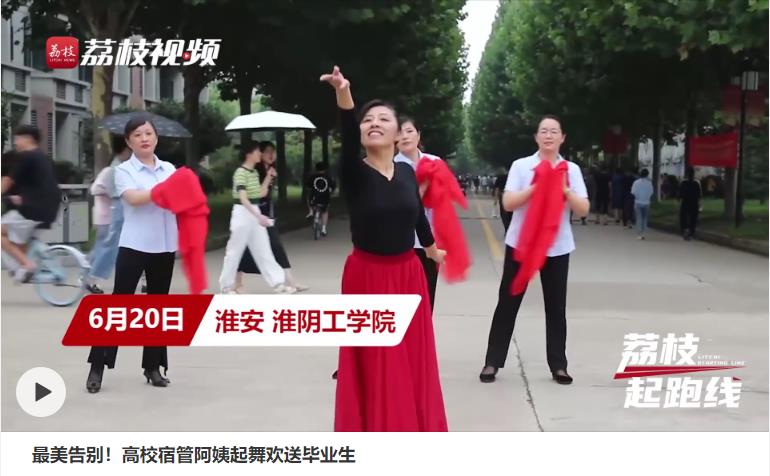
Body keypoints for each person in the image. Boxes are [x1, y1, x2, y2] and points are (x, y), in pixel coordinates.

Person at [321, 65, 447, 432]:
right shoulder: (354, 172)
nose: (374, 123)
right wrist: (343, 92)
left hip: (408, 276)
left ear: (398, 134)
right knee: (378, 361)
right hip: (367, 278)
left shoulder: (406, 172)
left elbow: (416, 215)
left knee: (411, 358)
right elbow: (347, 134)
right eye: (367, 120)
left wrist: (431, 249)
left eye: (383, 119)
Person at [479, 115, 590, 386]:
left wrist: (563, 189)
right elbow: (508, 202)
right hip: (522, 245)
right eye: (544, 131)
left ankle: (559, 365)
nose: (548, 136)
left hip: (557, 247)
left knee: (556, 308)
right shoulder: (522, 166)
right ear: (536, 137)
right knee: (508, 303)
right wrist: (537, 186)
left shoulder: (570, 169)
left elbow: (583, 208)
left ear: (562, 138)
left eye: (554, 131)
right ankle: (492, 361)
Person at [86, 116, 178, 393]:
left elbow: (179, 200)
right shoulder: (124, 171)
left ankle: (153, 367)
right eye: (137, 135)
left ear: (156, 138)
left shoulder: (169, 168)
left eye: (148, 133)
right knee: (119, 307)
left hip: (164, 245)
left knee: (157, 309)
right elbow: (134, 199)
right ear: (129, 142)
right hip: (134, 245)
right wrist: (165, 191)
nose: (144, 138)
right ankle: (97, 367)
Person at [219, 141, 295, 294]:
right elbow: (243, 198)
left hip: (254, 210)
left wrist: (268, 177)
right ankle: (226, 287)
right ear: (249, 154)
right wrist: (258, 216)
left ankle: (277, 283)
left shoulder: (253, 173)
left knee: (263, 249)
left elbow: (260, 193)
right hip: (242, 213)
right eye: (257, 151)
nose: (260, 154)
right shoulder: (240, 173)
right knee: (234, 251)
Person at [234, 141, 309, 293]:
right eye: (267, 151)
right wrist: (268, 178)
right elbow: (257, 194)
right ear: (259, 153)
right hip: (253, 216)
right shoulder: (253, 172)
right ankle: (237, 284)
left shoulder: (268, 170)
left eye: (273, 151)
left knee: (275, 247)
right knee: (246, 250)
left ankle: (291, 282)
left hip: (265, 217)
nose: (271, 155)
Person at [1, 125, 61, 283]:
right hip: (49, 209)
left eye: (17, 139)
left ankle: (27, 265)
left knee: (1, 232)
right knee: (19, 238)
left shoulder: (26, 156)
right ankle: (23, 269)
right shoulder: (43, 158)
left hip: (32, 209)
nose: (15, 142)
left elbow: (8, 181)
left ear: (28, 138)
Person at [395, 117, 441, 311]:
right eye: (400, 132)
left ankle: (424, 331)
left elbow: (445, 201)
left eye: (410, 131)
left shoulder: (435, 162)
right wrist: (423, 187)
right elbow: (400, 207)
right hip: (400, 243)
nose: (405, 136)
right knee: (402, 299)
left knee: (427, 298)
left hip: (429, 242)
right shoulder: (391, 166)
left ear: (419, 135)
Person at [83, 137, 132, 294]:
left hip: (111, 214)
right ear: (125, 150)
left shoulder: (119, 168)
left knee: (105, 247)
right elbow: (113, 194)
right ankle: (90, 277)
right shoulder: (114, 170)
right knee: (106, 247)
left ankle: (89, 275)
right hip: (109, 215)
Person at [305, 161, 336, 236]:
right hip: (325, 198)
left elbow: (308, 187)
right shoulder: (328, 177)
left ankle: (311, 211)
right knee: (325, 212)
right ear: (324, 169)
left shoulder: (312, 177)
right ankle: (324, 229)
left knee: (308, 198)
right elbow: (333, 187)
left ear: (316, 169)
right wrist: (331, 190)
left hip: (314, 197)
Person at [678, 166, 702, 241]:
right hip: (694, 203)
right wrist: (700, 205)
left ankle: (685, 230)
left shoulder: (683, 182)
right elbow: (699, 195)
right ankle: (691, 232)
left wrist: (678, 200)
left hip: (685, 202)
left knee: (683, 217)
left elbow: (680, 194)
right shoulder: (697, 183)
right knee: (693, 219)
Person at [631, 169, 654, 240]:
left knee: (639, 218)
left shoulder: (636, 182)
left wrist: (638, 196)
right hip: (647, 202)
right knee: (645, 218)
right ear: (647, 174)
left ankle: (639, 234)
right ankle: (643, 233)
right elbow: (651, 192)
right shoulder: (649, 183)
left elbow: (633, 192)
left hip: (638, 202)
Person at [493, 167, 513, 233]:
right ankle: (509, 228)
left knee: (503, 214)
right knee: (511, 213)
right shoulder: (513, 177)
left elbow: (497, 189)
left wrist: (495, 199)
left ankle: (506, 228)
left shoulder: (500, 177)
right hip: (511, 196)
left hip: (502, 196)